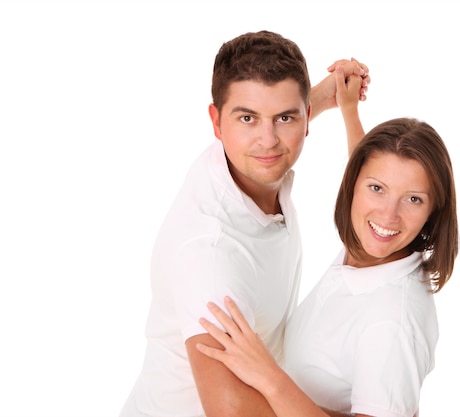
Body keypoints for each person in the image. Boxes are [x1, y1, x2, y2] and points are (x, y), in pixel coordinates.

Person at [119, 30, 370, 417]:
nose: (268, 141)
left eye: (285, 117)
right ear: (217, 123)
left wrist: (325, 96)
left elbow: (272, 122)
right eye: (248, 118)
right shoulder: (210, 254)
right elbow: (231, 411)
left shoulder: (244, 165)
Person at [196, 114, 459, 417]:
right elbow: (372, 168)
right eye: (377, 189)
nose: (388, 216)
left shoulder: (391, 322)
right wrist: (348, 110)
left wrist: (269, 378)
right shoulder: (372, 252)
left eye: (413, 199)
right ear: (354, 185)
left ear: (433, 211)